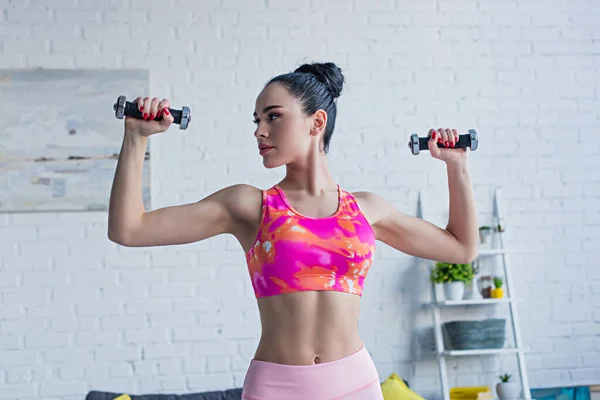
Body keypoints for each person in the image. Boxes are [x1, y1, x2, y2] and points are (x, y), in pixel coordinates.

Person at [108, 62, 479, 399]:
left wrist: (456, 166)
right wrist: (136, 138)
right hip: (276, 388)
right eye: (256, 120)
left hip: (355, 384)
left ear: (316, 123)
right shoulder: (249, 206)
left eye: (272, 117)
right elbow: (129, 228)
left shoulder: (367, 210)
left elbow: (462, 248)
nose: (259, 131)